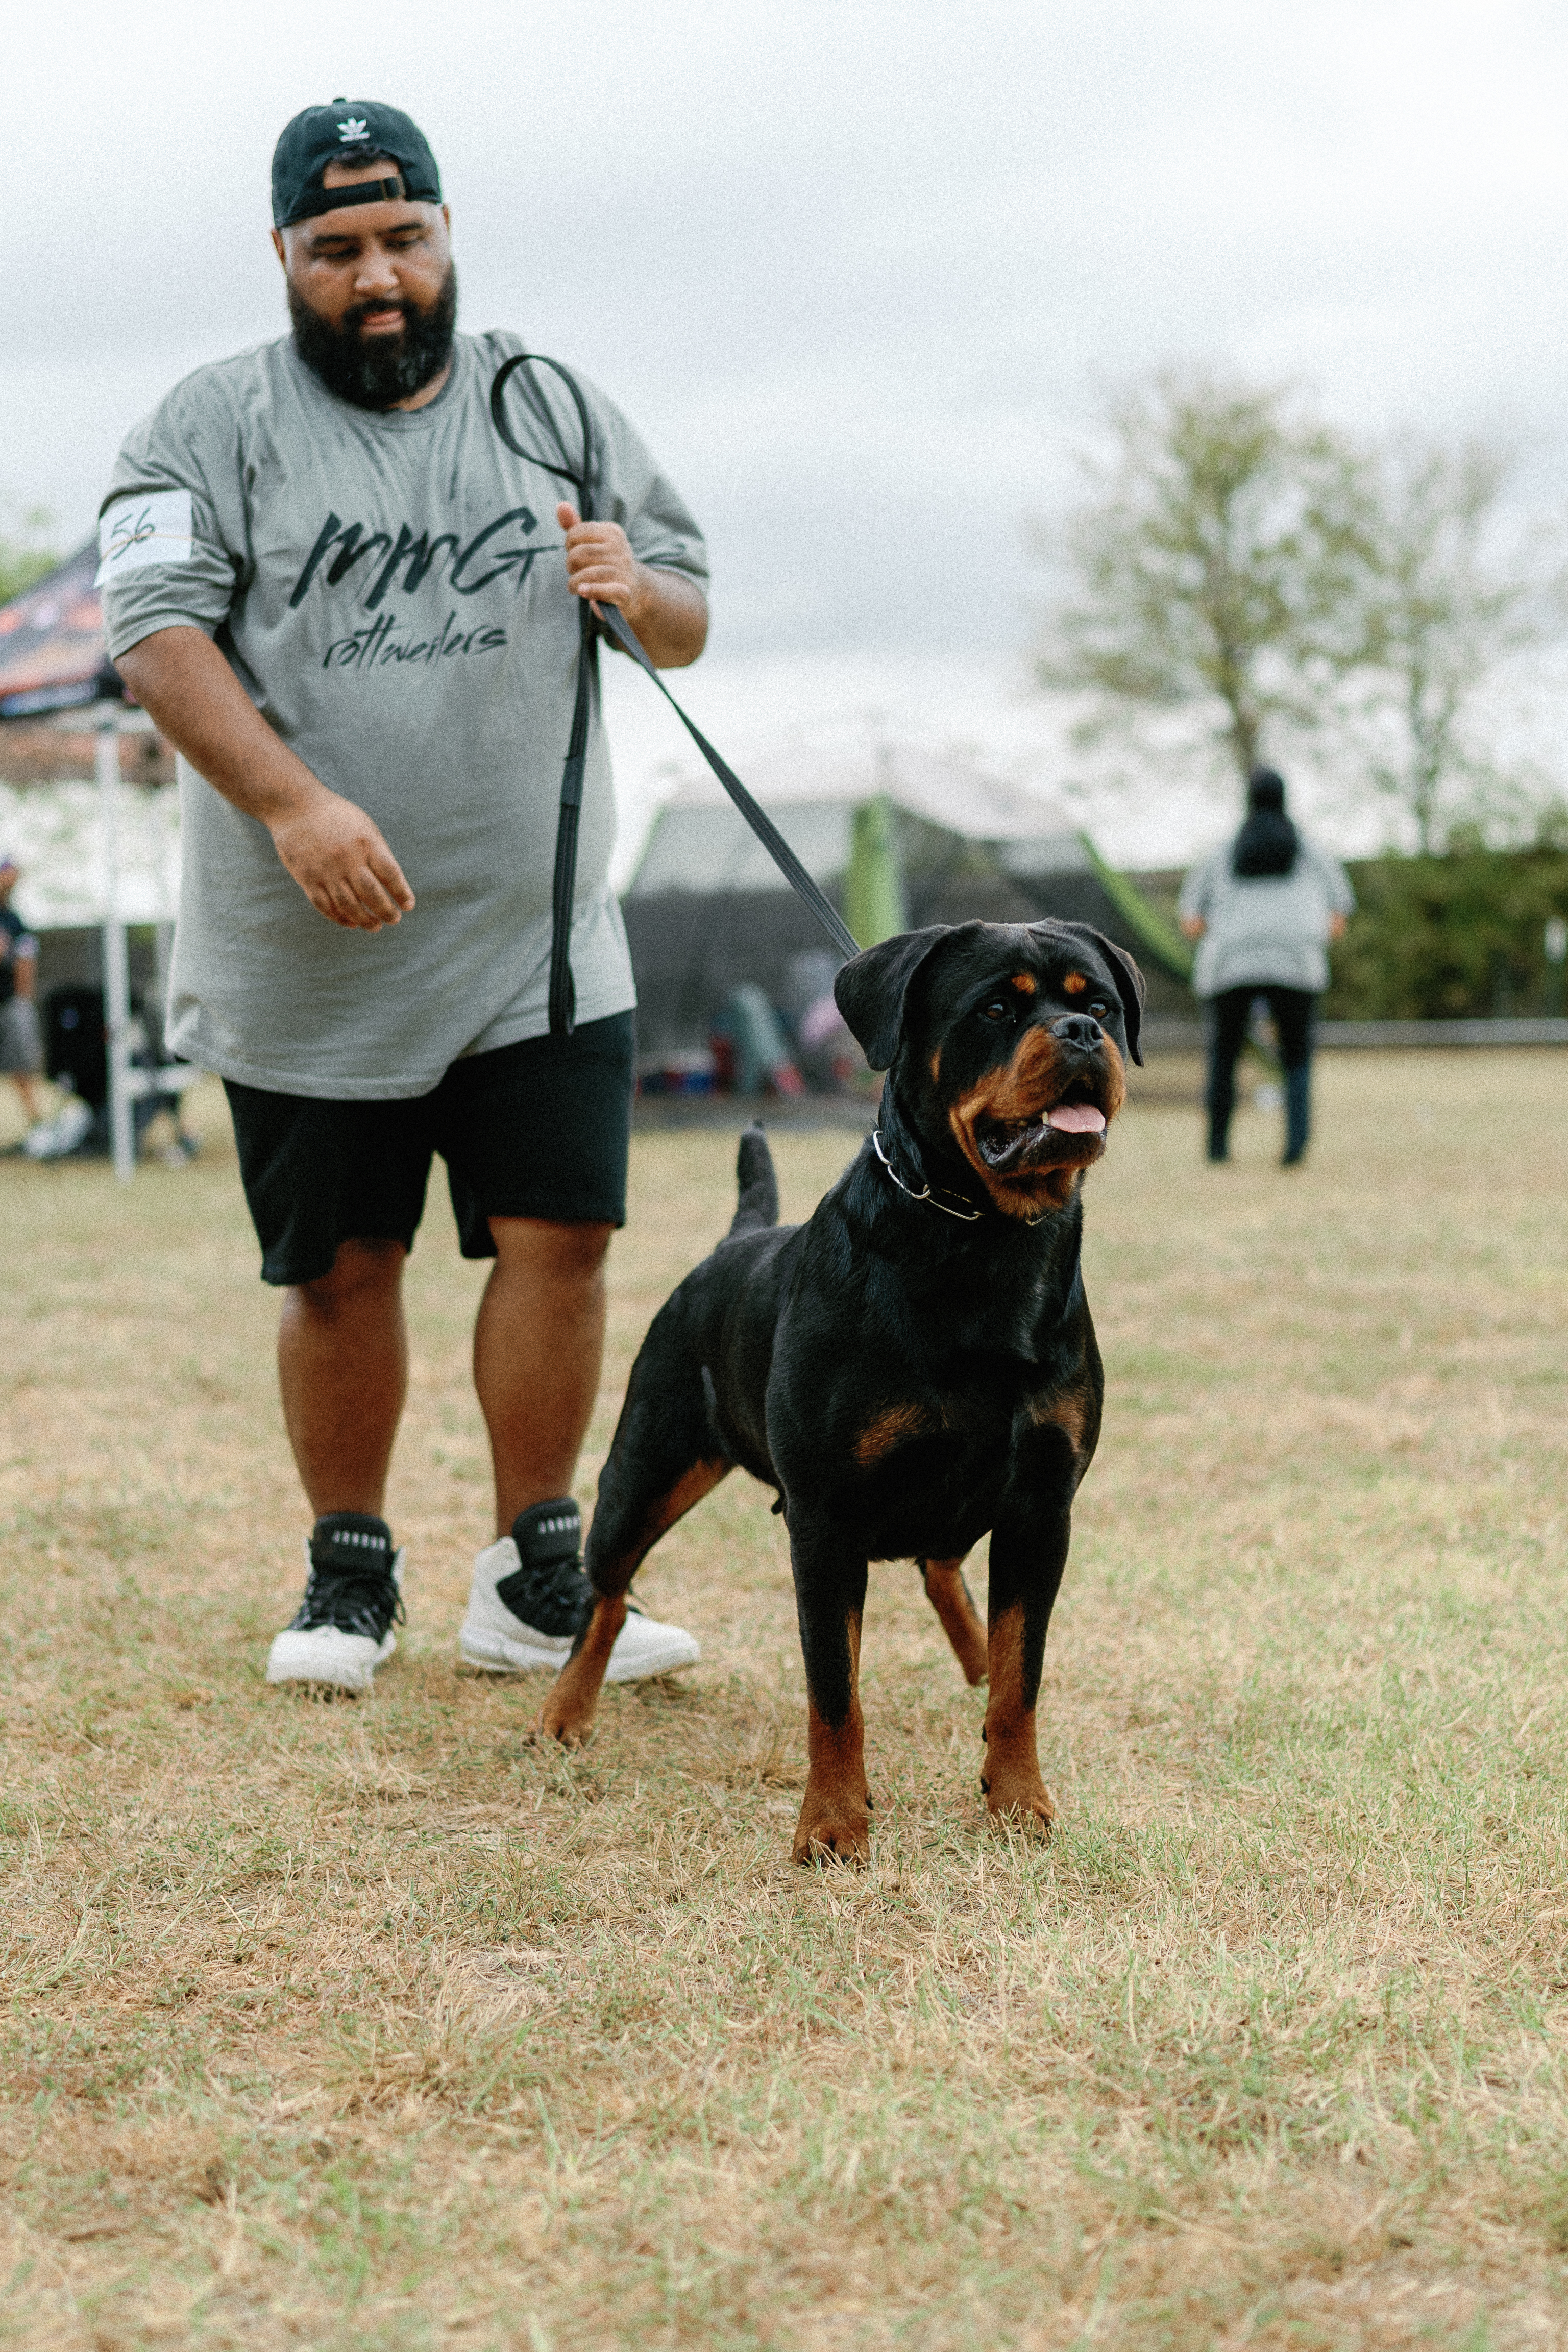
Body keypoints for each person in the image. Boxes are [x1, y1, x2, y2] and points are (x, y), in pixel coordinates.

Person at [96, 100, 707, 1695]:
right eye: (337, 250)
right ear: (285, 257)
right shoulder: (202, 426)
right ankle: (347, 1569)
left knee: (560, 1235)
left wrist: (630, 588)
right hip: (311, 952)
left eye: (403, 241)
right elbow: (156, 636)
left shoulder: (547, 401)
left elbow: (689, 611)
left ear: (445, 235)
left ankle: (534, 1572)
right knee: (339, 1265)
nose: (377, 279)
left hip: (540, 936)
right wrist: (292, 804)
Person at [1179, 768, 1354, 1167]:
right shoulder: (1313, 854)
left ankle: (1218, 1149)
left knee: (1223, 1056)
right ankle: (1294, 1149)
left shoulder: (1221, 854)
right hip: (1297, 964)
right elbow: (1339, 917)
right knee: (1296, 1057)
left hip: (1229, 963)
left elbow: (1191, 922)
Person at [0, 860, 43, 1129]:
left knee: (22, 1067)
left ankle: (37, 1122)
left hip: (8, 1002)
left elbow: (27, 958)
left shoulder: (13, 919)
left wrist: (23, 998)